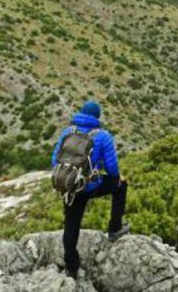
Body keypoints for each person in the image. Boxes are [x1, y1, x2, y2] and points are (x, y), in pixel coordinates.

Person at [51, 100, 129, 279]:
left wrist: (69, 176)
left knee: (71, 224)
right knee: (121, 187)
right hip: (90, 186)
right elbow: (111, 167)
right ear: (97, 117)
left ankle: (71, 267)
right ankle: (115, 228)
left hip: (70, 186)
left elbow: (55, 159)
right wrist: (117, 178)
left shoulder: (67, 132)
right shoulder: (102, 136)